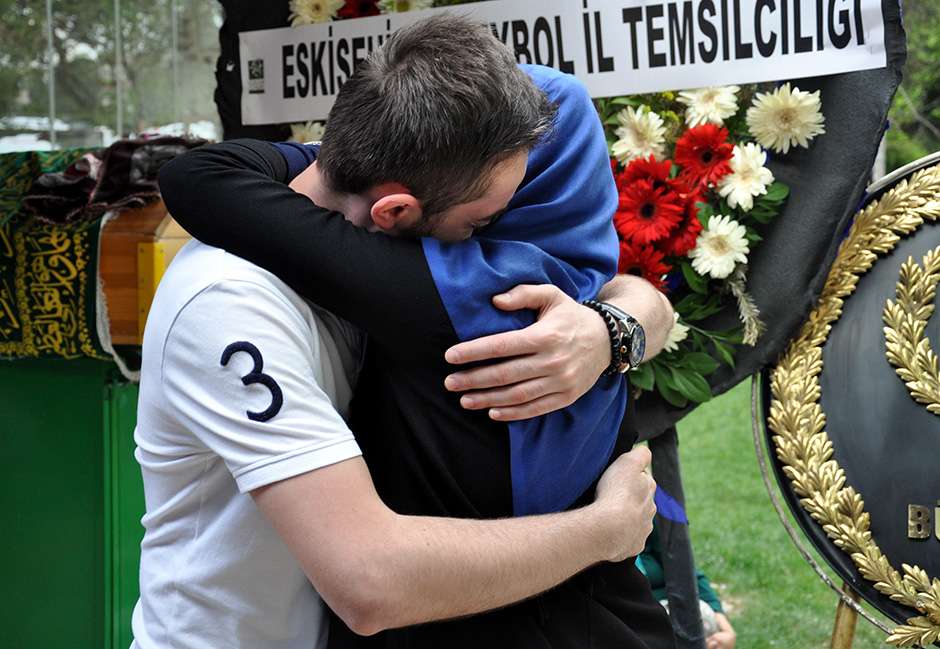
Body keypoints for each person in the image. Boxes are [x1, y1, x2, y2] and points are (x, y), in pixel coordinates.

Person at [156, 12, 676, 649]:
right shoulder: (233, 297)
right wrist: (608, 529)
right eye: (480, 221)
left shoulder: (389, 255)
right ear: (396, 211)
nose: (489, 234)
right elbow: (371, 580)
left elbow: (199, 176)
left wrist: (614, 324)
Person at [638, 521, 737, 649]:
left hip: (670, 608)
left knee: (703, 615)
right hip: (638, 619)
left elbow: (687, 572)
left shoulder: (650, 512)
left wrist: (725, 629)